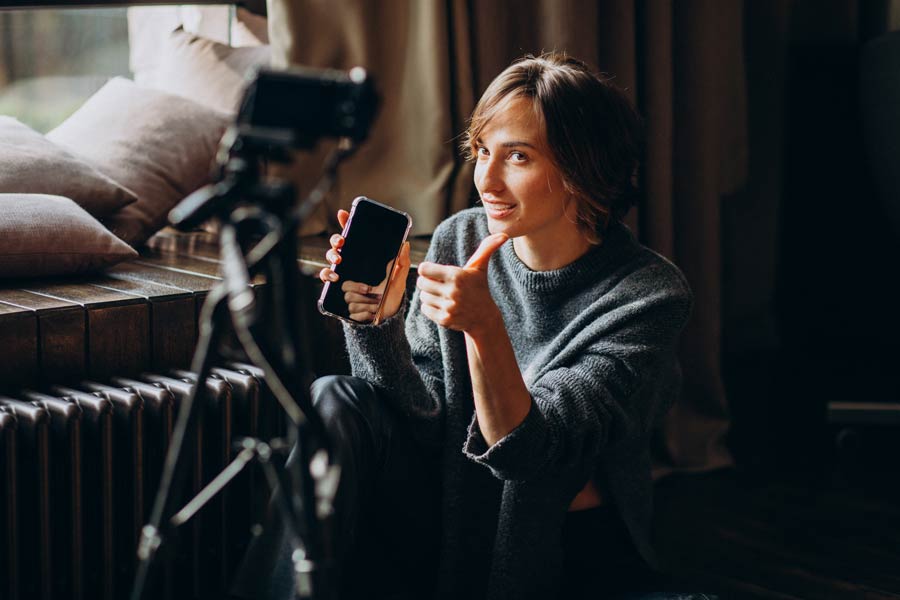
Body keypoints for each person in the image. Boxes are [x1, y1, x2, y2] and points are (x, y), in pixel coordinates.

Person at [238, 52, 693, 600]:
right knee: (335, 396)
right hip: (455, 508)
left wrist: (484, 327)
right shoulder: (461, 238)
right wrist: (379, 324)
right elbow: (428, 420)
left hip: (558, 546)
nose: (488, 180)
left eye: (518, 156)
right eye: (481, 152)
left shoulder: (647, 295)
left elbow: (528, 453)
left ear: (582, 169)